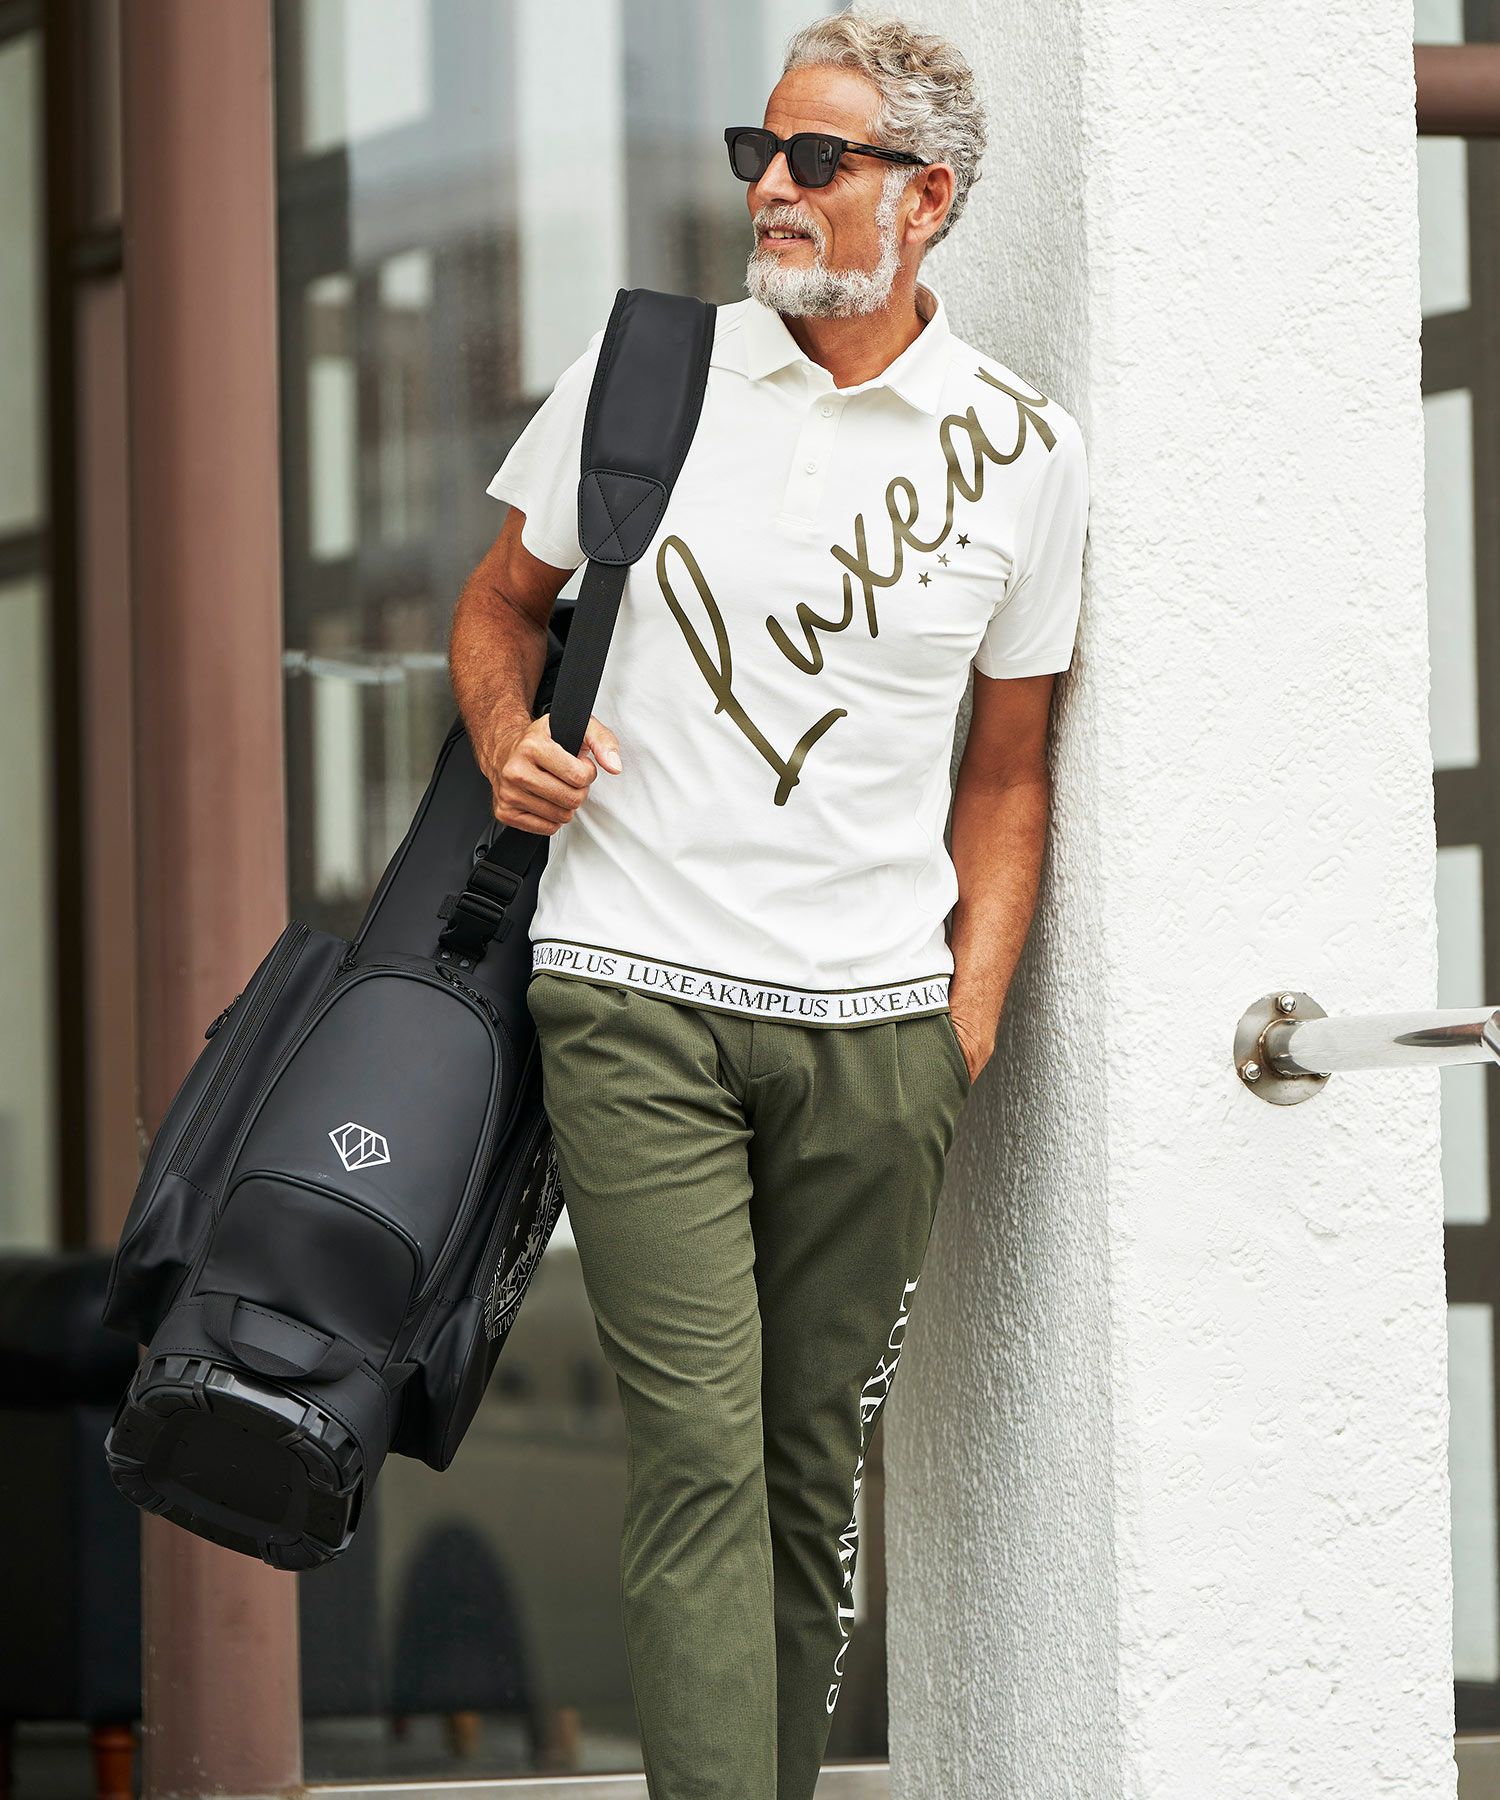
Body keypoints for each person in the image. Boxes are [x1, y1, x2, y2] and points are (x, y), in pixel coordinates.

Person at [449, 15, 1088, 1799]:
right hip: (631, 988)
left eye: (817, 160)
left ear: (928, 198)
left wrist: (959, 1032)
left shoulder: (1024, 451)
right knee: (700, 1461)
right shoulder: (647, 374)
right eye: (760, 154)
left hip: (877, 1036)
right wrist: (507, 742)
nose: (771, 193)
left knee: (809, 1479)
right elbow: (499, 607)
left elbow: (1009, 773)